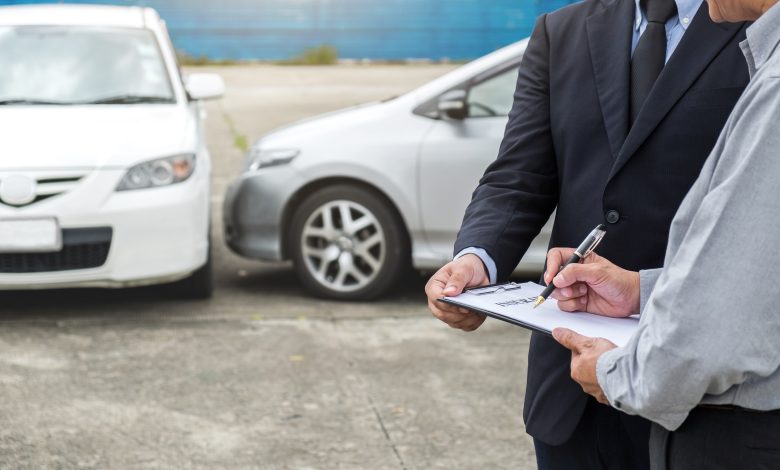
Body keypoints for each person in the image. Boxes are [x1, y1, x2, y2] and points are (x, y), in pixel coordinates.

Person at [424, 0, 751, 467]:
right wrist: (477, 258)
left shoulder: (754, 20)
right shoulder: (561, 30)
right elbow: (519, 173)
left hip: (699, 384)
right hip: (570, 383)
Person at [545, 0, 780, 465]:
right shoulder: (561, 28)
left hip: (737, 433)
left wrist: (620, 376)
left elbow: (719, 326)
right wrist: (642, 289)